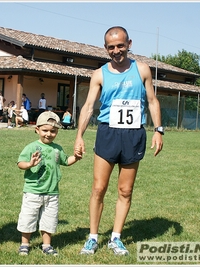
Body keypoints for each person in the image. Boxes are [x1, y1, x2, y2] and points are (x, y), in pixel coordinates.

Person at [74, 26, 163, 256]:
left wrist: (158, 130)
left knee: (125, 190)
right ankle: (93, 237)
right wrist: (79, 136)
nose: (116, 51)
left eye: (120, 45)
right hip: (108, 133)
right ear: (106, 48)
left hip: (134, 135)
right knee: (98, 188)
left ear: (129, 44)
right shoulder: (99, 74)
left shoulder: (142, 70)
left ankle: (116, 237)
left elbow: (152, 101)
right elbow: (88, 107)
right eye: (111, 47)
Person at [16, 111, 80, 256]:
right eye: (45, 130)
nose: (48, 134)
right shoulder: (31, 147)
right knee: (28, 217)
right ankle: (25, 244)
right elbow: (20, 163)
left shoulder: (57, 148)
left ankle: (46, 245)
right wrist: (30, 164)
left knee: (49, 220)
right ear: (37, 129)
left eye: (53, 131)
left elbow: (66, 161)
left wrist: (76, 157)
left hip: (52, 192)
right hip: (33, 191)